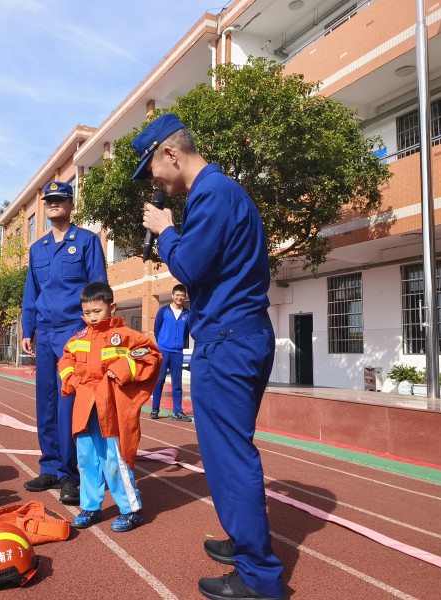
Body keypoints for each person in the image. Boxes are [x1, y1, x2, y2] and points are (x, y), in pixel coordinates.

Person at [138, 114, 286, 600]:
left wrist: (166, 230)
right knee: (229, 451)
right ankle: (245, 544)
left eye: (152, 169)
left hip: (228, 341)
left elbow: (189, 267)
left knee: (229, 456)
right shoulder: (222, 191)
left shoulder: (211, 193)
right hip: (239, 335)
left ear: (171, 154)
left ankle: (258, 576)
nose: (155, 181)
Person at [21, 180, 108, 505]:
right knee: (45, 401)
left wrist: (97, 329)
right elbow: (32, 293)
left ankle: (70, 474)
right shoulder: (38, 248)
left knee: (68, 401)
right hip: (45, 333)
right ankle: (50, 468)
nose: (53, 204)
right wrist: (27, 329)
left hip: (75, 332)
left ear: (71, 205)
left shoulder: (87, 241)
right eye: (49, 201)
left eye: (60, 199)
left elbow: (99, 287)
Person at [58, 282, 160, 532]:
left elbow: (151, 356)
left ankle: (131, 510)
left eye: (97, 311)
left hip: (110, 407)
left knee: (115, 459)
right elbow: (66, 360)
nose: (92, 317)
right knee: (86, 459)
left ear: (111, 307)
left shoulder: (126, 336)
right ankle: (90, 507)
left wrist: (122, 370)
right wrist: (72, 380)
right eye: (87, 312)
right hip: (84, 407)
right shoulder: (78, 339)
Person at [151, 284, 191, 421]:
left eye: (182, 295)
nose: (180, 297)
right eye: (177, 295)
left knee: (177, 383)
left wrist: (179, 343)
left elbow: (186, 332)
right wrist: (162, 343)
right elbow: (156, 328)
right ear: (172, 295)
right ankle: (155, 409)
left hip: (177, 352)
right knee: (159, 380)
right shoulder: (163, 311)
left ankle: (177, 412)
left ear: (185, 297)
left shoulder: (187, 314)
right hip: (163, 350)